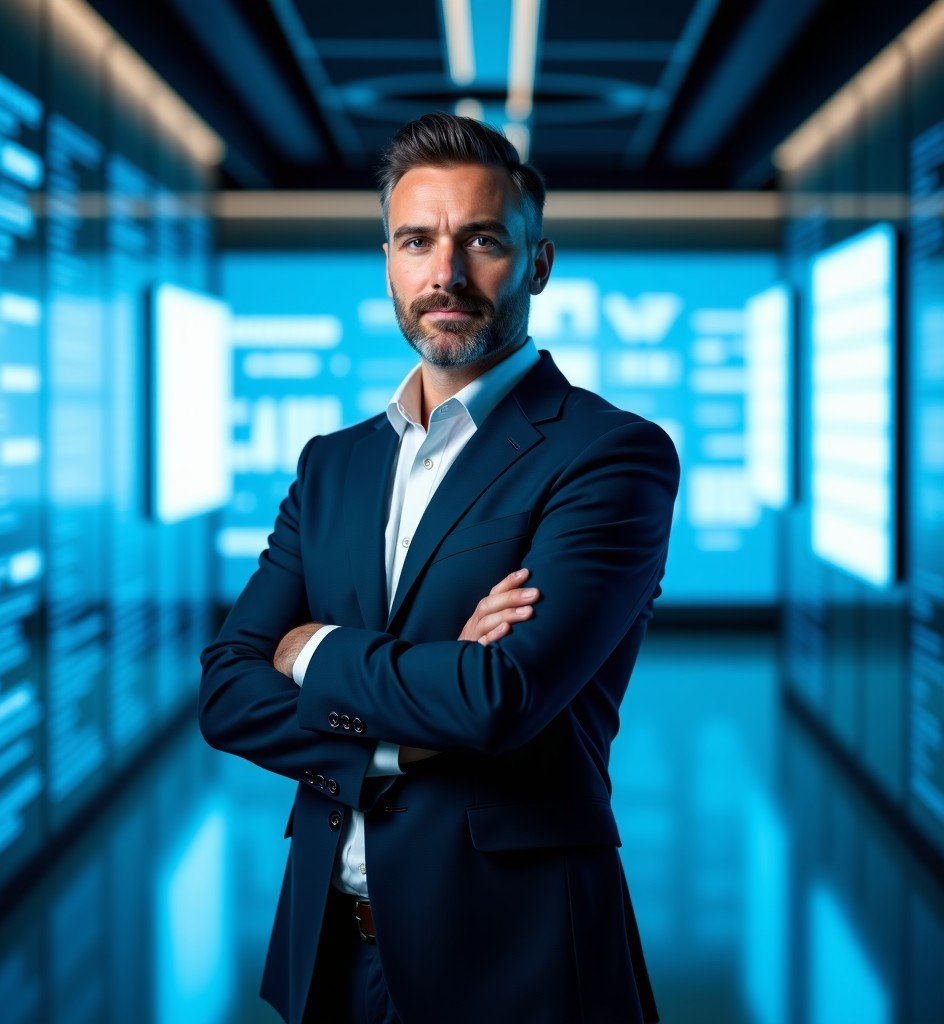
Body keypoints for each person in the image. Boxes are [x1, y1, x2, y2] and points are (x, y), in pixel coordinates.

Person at [199, 111, 679, 1024]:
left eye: (483, 241)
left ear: (538, 263)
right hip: (330, 954)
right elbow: (224, 692)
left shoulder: (609, 454)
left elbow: (498, 696)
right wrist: (412, 729)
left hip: (518, 958)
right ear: (388, 260)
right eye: (417, 241)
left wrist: (309, 650)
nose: (445, 274)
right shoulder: (332, 464)